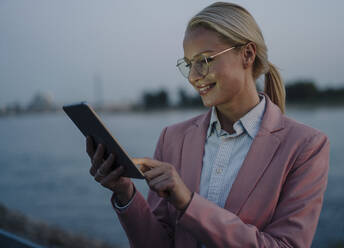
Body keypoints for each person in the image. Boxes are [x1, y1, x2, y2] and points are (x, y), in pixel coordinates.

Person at [86, 2, 330, 247]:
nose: (193, 76)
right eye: (189, 64)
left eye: (204, 60)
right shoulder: (172, 138)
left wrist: (188, 203)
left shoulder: (306, 147)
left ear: (247, 54)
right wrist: (125, 192)